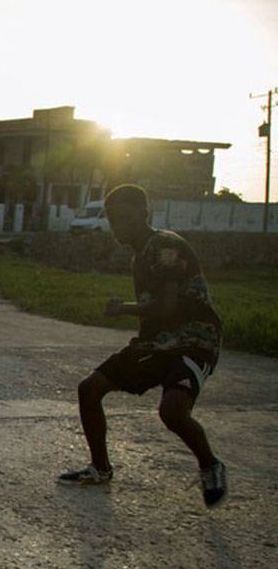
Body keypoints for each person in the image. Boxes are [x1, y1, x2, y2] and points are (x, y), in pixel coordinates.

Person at [58, 184, 226, 506]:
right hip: (158, 342)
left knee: (172, 412)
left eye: (125, 218)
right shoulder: (140, 254)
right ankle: (100, 467)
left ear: (144, 214)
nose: (118, 226)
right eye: (112, 219)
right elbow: (157, 315)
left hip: (194, 339)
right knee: (90, 388)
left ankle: (210, 464)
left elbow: (167, 307)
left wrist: (123, 308)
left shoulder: (165, 246)